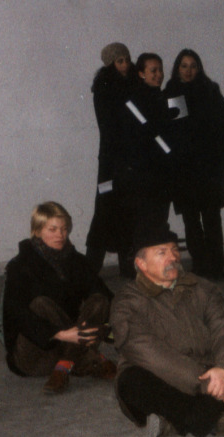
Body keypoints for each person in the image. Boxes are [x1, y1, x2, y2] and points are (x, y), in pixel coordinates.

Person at [111, 226, 224, 437]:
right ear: (141, 263)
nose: (173, 257)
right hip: (161, 378)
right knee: (132, 383)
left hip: (208, 370)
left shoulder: (201, 288)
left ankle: (175, 423)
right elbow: (154, 356)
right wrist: (203, 382)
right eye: (162, 252)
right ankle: (219, 420)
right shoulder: (127, 302)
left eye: (175, 250)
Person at [2, 202, 116, 394]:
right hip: (35, 355)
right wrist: (59, 334)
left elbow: (103, 294)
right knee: (41, 304)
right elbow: (15, 313)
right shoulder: (20, 265)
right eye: (52, 229)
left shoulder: (76, 261)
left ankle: (64, 366)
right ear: (37, 231)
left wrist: (107, 328)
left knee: (99, 300)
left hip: (67, 346)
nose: (60, 235)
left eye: (64, 229)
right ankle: (90, 359)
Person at [164, 49, 224, 281]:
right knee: (191, 220)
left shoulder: (211, 91)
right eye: (184, 66)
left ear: (199, 68)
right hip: (183, 167)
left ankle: (216, 267)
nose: (188, 71)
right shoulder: (170, 93)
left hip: (209, 165)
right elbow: (167, 130)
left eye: (193, 66)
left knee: (211, 219)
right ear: (177, 69)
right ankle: (200, 266)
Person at [85, 42, 140, 278]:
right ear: (110, 64)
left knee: (128, 212)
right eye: (120, 61)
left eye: (127, 59)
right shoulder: (104, 88)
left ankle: (127, 267)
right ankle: (89, 269)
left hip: (129, 161)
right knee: (104, 210)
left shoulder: (134, 85)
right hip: (111, 161)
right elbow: (110, 128)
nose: (125, 65)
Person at [119, 53, 176, 255]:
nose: (159, 74)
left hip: (163, 173)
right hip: (145, 175)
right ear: (141, 73)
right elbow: (138, 137)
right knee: (145, 224)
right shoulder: (135, 101)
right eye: (153, 70)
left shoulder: (165, 97)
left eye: (160, 70)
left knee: (160, 221)